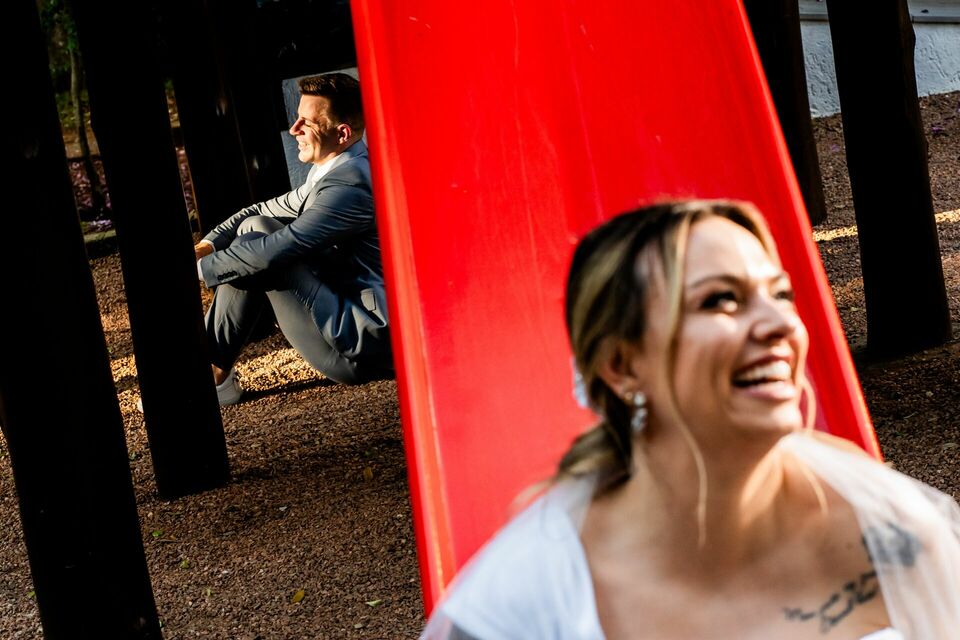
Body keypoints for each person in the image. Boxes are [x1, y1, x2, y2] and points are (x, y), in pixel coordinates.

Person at [422, 200, 960, 639]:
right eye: (721, 300)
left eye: (780, 295)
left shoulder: (886, 525)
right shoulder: (524, 601)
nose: (780, 324)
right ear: (621, 365)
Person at [194, 72, 393, 405]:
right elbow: (260, 209)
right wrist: (206, 247)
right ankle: (213, 370)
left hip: (357, 345)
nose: (294, 129)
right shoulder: (337, 168)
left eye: (306, 123)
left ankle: (212, 373)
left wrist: (199, 270)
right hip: (342, 309)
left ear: (342, 133)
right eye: (296, 118)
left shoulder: (349, 188)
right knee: (256, 226)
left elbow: (279, 248)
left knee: (256, 249)